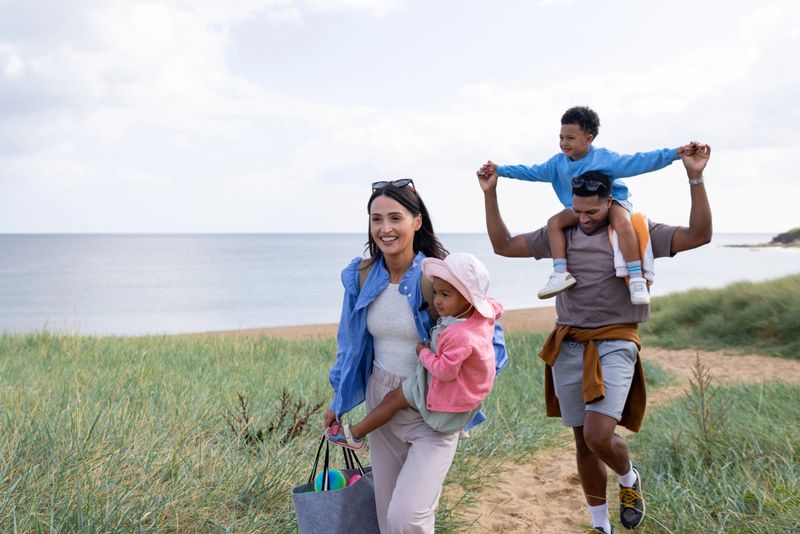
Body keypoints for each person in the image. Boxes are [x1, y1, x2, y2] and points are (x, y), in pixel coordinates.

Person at [477, 144, 712, 533]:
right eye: (578, 211)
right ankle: (600, 524)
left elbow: (699, 234)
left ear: (610, 201)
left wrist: (695, 176)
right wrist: (491, 194)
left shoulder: (637, 231)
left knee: (599, 435)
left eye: (593, 211)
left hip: (616, 341)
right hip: (568, 345)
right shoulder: (562, 232)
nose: (584, 219)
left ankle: (628, 477)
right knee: (583, 444)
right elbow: (503, 245)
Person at [323, 179, 508, 534]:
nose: (385, 228)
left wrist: (465, 390)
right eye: (377, 219)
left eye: (395, 218)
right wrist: (340, 398)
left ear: (416, 221)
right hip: (382, 402)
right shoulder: (361, 277)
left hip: (433, 410)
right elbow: (348, 344)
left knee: (406, 517)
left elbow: (490, 342)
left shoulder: (439, 277)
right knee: (386, 518)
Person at [482, 106, 683, 305]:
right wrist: (500, 170)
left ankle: (636, 277)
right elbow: (531, 172)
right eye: (561, 137)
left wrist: (675, 154)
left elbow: (641, 161)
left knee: (622, 223)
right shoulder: (557, 164)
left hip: (614, 200)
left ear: (589, 139)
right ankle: (561, 273)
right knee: (554, 222)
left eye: (570, 138)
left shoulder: (605, 158)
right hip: (578, 207)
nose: (563, 143)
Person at [325, 252, 503, 450]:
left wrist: (422, 353)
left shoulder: (460, 334)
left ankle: (355, 435)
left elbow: (445, 371)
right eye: (435, 293)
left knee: (392, 401)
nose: (437, 301)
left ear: (469, 299)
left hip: (429, 384)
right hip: (454, 391)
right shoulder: (477, 319)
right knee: (391, 402)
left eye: (445, 295)